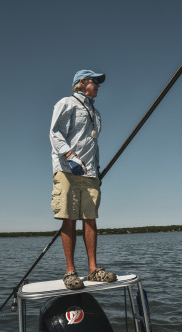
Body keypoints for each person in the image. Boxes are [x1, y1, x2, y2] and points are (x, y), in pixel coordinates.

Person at [50, 69, 117, 290]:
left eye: (99, 82)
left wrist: (96, 171)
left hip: (89, 173)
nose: (98, 84)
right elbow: (55, 133)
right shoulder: (66, 103)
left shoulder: (96, 113)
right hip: (67, 169)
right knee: (69, 218)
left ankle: (93, 270)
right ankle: (70, 272)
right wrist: (69, 155)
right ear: (81, 83)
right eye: (94, 81)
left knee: (90, 219)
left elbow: (93, 145)